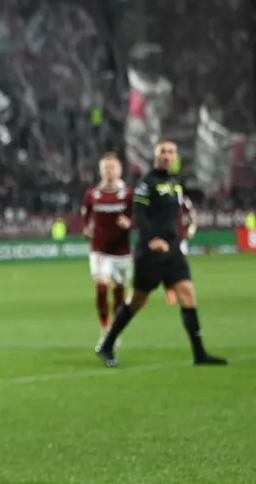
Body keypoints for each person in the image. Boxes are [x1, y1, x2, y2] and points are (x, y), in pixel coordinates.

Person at [96, 140, 227, 367]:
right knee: (136, 301)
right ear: (155, 156)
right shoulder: (147, 183)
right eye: (162, 152)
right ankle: (107, 345)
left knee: (188, 295)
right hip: (151, 253)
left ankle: (199, 353)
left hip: (173, 252)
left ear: (175, 157)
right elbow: (139, 213)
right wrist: (152, 239)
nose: (167, 155)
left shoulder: (175, 182)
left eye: (171, 152)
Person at [81, 153, 132, 340]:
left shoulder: (129, 194)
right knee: (101, 287)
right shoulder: (92, 194)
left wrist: (130, 223)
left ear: (119, 170)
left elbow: (140, 217)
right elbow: (85, 215)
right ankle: (105, 327)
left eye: (112, 167)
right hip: (100, 250)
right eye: (106, 168)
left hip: (122, 252)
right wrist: (86, 228)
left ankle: (114, 333)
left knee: (119, 294)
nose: (109, 171)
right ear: (101, 171)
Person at [166, 195, 197, 304]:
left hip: (180, 240)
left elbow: (193, 216)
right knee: (167, 266)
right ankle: (171, 291)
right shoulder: (160, 198)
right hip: (166, 240)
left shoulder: (182, 199)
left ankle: (181, 291)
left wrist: (191, 230)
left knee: (181, 268)